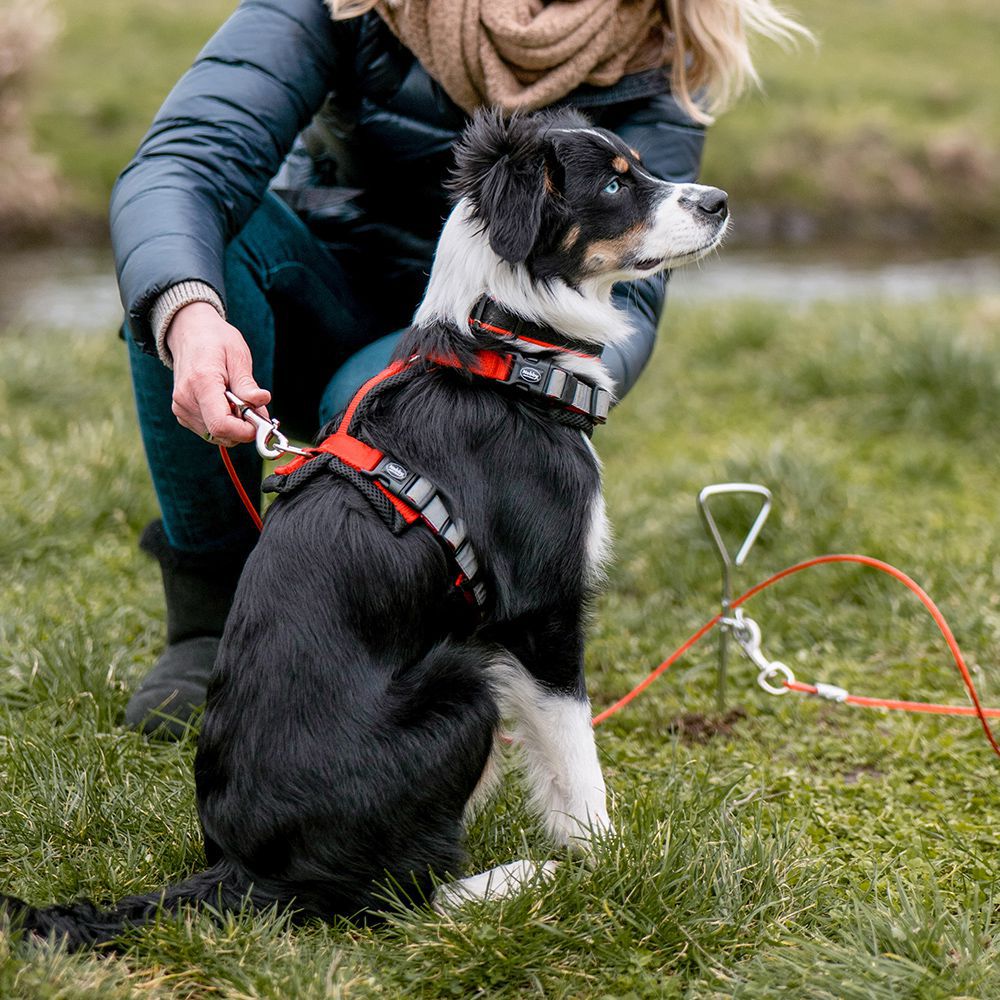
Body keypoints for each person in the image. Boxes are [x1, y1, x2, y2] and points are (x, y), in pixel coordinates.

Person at [111, 0, 805, 736]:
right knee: (193, 257)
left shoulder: (654, 35)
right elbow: (183, 162)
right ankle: (208, 620)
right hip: (321, 288)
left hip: (488, 342)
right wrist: (187, 312)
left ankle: (411, 643)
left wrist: (521, 389)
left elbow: (638, 271)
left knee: (376, 405)